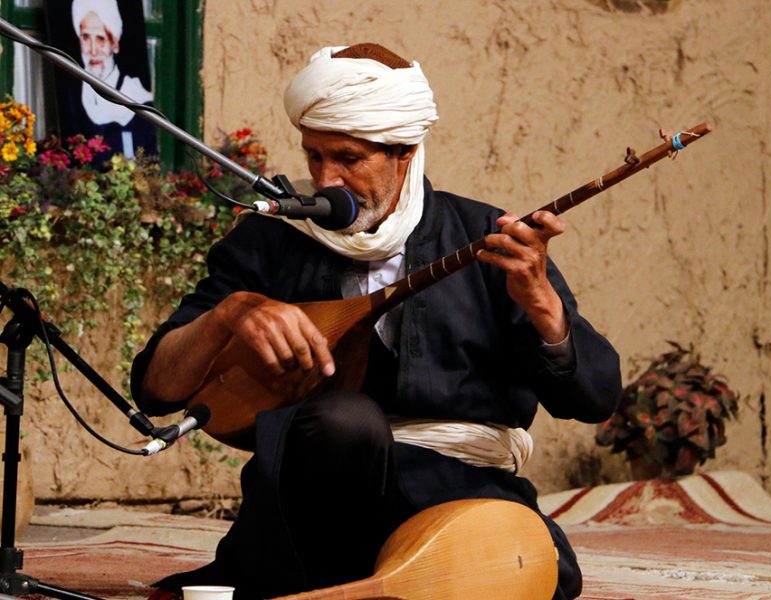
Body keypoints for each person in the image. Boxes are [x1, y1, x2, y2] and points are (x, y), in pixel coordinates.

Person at [131, 43, 622, 600]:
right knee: (344, 420)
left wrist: (540, 302)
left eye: (348, 159)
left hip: (454, 487)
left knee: (540, 575)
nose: (326, 179)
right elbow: (157, 388)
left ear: (405, 152)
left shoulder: (487, 238)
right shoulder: (270, 243)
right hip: (314, 502)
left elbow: (595, 398)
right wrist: (229, 314)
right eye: (314, 157)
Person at [69, 0, 157, 162]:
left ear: (114, 44)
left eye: (101, 39)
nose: (93, 50)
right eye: (86, 37)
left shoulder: (136, 98)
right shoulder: (72, 95)